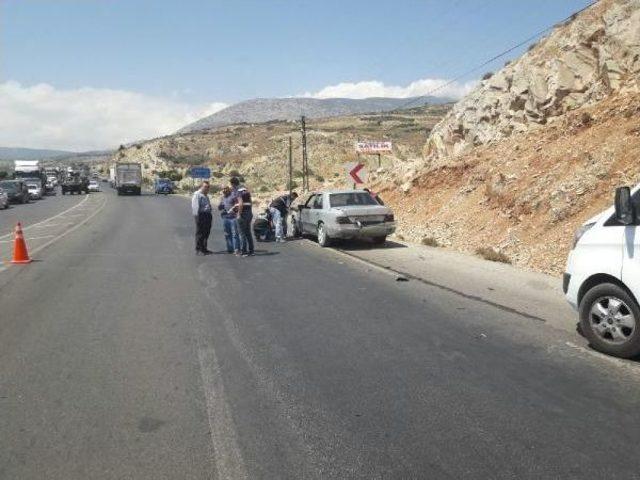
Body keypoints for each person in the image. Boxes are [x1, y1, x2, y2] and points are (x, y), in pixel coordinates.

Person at [230, 177, 254, 257]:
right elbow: (250, 202)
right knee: (248, 232)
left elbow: (240, 203)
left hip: (243, 214)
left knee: (242, 233)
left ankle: (243, 251)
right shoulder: (245, 190)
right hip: (249, 213)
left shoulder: (238, 191)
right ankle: (251, 250)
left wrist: (239, 214)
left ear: (233, 184)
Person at [191, 181, 213, 255]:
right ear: (201, 187)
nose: (207, 188)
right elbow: (195, 206)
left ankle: (204, 248)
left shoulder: (205, 195)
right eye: (205, 187)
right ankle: (198, 249)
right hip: (201, 215)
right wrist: (197, 218)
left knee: (206, 232)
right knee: (200, 233)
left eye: (208, 187)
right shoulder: (197, 195)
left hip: (207, 215)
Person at [218, 186, 239, 254]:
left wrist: (234, 210)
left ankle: (236, 249)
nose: (224, 190)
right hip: (225, 218)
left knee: (234, 234)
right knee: (227, 234)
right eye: (223, 189)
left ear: (229, 189)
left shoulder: (233, 196)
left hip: (233, 218)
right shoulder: (222, 198)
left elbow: (237, 205)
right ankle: (230, 248)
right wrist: (220, 206)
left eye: (225, 188)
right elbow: (220, 208)